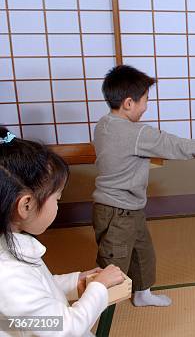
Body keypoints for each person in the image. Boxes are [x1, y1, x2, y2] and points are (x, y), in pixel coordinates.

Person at [93, 65, 195, 307]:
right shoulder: (138, 133)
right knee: (111, 267)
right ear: (129, 103)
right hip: (117, 212)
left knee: (143, 253)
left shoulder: (103, 124)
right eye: (145, 100)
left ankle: (142, 294)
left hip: (126, 209)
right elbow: (177, 145)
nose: (146, 106)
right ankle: (86, 316)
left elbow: (118, 158)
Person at [0, 127, 125, 337]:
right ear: (26, 206)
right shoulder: (8, 276)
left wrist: (76, 282)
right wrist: (99, 288)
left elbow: (39, 288)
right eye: (57, 198)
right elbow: (66, 328)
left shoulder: (10, 245)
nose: (58, 205)